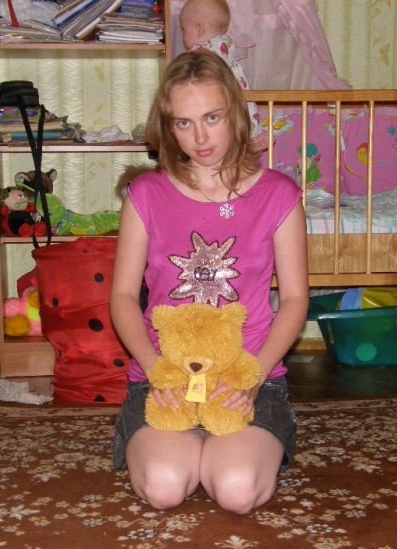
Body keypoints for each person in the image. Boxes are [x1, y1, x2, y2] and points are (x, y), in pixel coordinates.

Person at [110, 51, 309, 515]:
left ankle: (223, 455)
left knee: (237, 490)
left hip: (247, 376)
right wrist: (156, 370)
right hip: (165, 378)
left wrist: (253, 377)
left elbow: (296, 299)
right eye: (183, 123)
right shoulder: (145, 194)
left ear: (235, 113)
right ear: (168, 127)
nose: (199, 138)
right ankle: (189, 453)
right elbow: (122, 296)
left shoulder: (279, 194)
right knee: (163, 487)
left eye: (212, 118)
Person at [178, 0, 268, 151]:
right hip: (238, 111)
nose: (182, 35)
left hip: (222, 108)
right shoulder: (225, 47)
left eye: (183, 29)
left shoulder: (200, 56)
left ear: (199, 29)